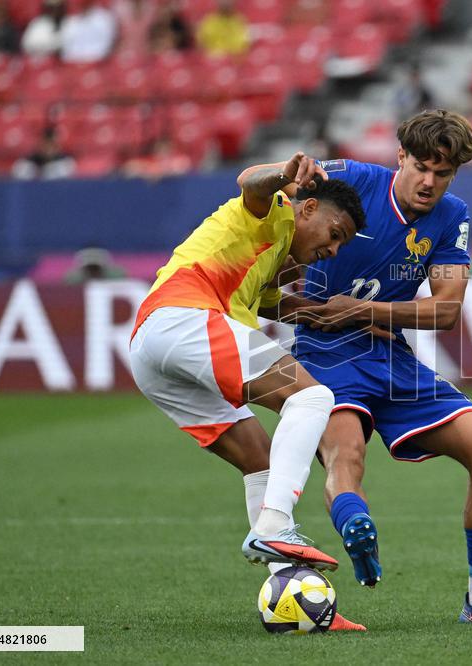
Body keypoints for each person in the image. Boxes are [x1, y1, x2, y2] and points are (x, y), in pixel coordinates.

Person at [271, 110, 472, 624]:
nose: (429, 182)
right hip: (324, 352)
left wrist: (361, 311)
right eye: (421, 167)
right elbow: (271, 203)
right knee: (345, 455)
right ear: (400, 157)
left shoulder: (452, 216)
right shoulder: (350, 179)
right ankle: (357, 528)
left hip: (390, 353)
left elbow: (446, 309)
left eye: (443, 173)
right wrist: (299, 303)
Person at [128, 152, 369, 631]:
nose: (333, 249)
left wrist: (355, 318)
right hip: (184, 317)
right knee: (313, 397)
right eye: (334, 233)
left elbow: (282, 307)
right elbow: (250, 181)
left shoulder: (274, 256)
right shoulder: (274, 209)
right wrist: (285, 174)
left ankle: (296, 601)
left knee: (260, 460)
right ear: (308, 208)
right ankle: (275, 524)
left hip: (151, 349)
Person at [12, 128, 76, 180]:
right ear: (39, 145)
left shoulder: (66, 162)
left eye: (52, 146)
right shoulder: (26, 162)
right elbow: (19, 174)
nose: (49, 149)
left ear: (58, 147)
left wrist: (44, 171)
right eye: (46, 145)